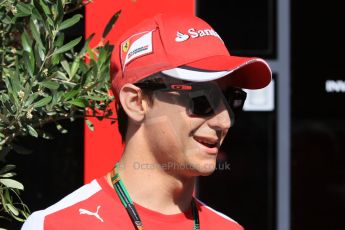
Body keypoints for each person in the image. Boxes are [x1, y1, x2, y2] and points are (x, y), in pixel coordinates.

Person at [22, 13, 271, 230]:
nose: (225, 120)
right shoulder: (55, 225)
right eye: (203, 98)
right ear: (135, 102)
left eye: (232, 99)